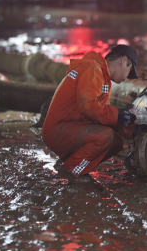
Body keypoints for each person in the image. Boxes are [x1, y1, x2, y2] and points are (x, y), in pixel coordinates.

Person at [42, 45, 139, 182]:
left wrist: (133, 130)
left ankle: (69, 162)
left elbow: (102, 115)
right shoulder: (93, 69)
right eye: (129, 70)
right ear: (123, 61)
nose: (128, 76)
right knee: (105, 136)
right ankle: (71, 169)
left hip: (69, 128)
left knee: (116, 142)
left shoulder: (102, 76)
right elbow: (88, 106)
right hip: (58, 131)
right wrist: (119, 115)